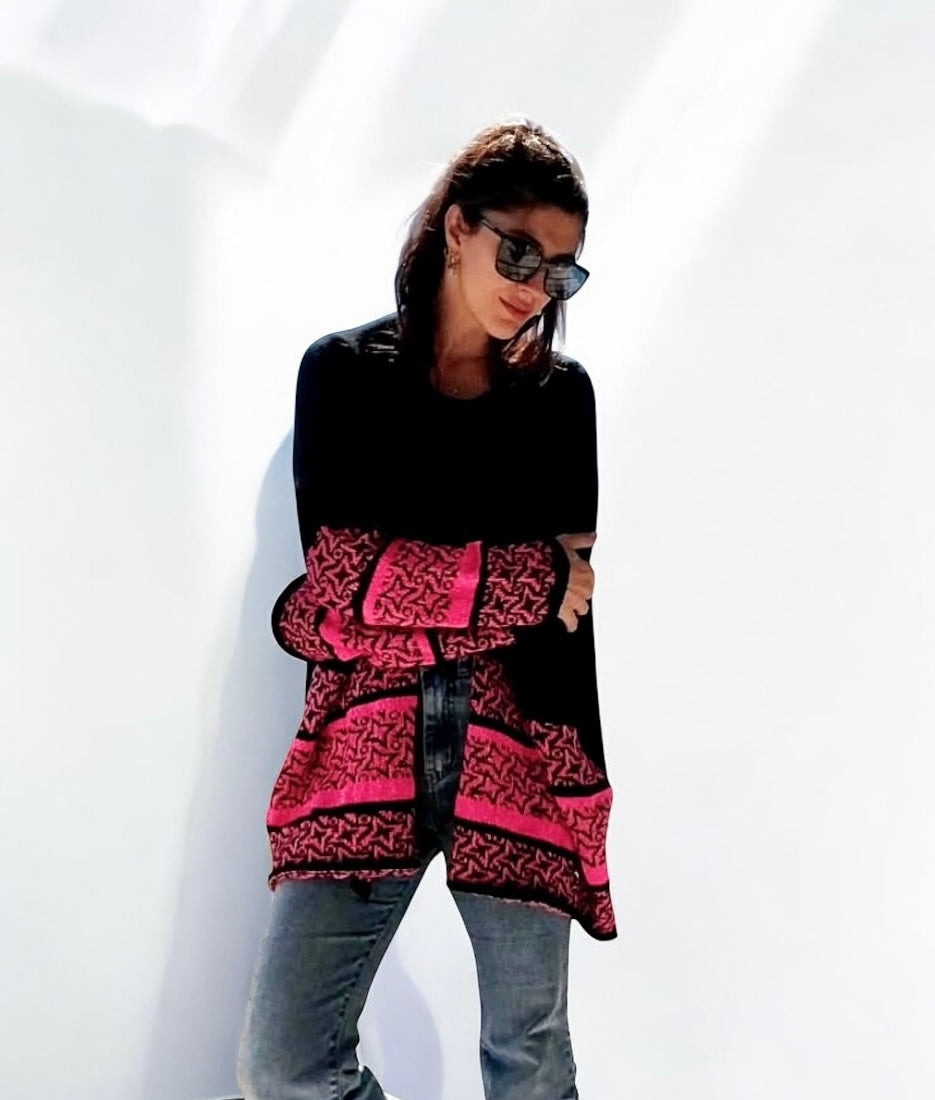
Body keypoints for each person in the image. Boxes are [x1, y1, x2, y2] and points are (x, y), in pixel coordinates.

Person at [237, 117, 616, 1100]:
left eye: (560, 271)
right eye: (518, 252)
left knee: (528, 1057)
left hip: (521, 744)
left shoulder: (560, 399)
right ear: (456, 227)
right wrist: (521, 578)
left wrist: (397, 588)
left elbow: (558, 602)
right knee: (284, 1066)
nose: (534, 286)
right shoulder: (342, 374)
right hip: (363, 742)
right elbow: (345, 584)